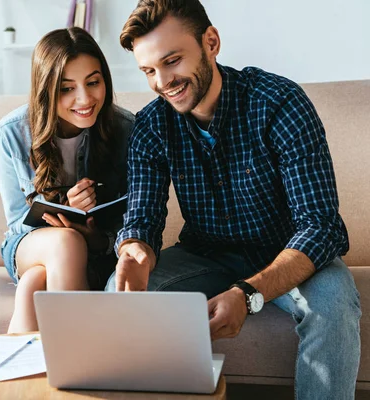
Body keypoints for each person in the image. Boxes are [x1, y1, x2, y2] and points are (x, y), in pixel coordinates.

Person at [106, 1, 361, 398]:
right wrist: (134, 248)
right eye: (148, 71)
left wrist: (248, 293)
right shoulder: (152, 124)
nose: (162, 81)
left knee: (333, 309)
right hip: (204, 255)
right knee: (115, 291)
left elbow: (321, 226)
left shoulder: (279, 103)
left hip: (289, 253)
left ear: (211, 42)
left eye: (172, 61)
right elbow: (142, 215)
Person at [0, 27, 134, 334]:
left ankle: (24, 379)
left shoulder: (125, 129)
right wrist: (62, 211)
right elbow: (17, 222)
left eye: (93, 83)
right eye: (66, 89)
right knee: (65, 242)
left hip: (97, 252)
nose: (84, 98)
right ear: (46, 89)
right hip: (30, 246)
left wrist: (92, 235)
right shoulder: (11, 133)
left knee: (33, 284)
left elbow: (130, 225)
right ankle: (81, 364)